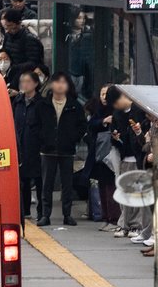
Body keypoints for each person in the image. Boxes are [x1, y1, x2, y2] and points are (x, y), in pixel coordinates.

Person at [33, 72, 86, 227]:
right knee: (46, 184)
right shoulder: (43, 105)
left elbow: (82, 126)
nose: (60, 85)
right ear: (51, 84)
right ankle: (45, 215)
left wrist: (72, 138)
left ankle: (67, 214)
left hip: (67, 150)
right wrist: (43, 138)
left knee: (67, 184)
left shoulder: (74, 105)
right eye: (57, 82)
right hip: (47, 150)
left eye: (64, 82)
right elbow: (35, 125)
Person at [108, 89, 150, 239]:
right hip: (125, 157)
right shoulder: (117, 114)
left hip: (139, 158)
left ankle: (136, 225)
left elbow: (142, 137)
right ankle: (124, 223)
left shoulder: (139, 110)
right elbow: (114, 136)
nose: (116, 105)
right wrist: (116, 137)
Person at [83, 86, 120, 227]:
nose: (104, 97)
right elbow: (91, 124)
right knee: (102, 185)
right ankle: (105, 216)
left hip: (113, 152)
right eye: (102, 94)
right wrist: (104, 121)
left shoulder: (117, 111)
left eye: (106, 94)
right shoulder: (97, 109)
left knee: (111, 185)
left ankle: (113, 217)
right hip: (99, 153)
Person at [13, 69, 45, 218]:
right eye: (22, 82)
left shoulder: (42, 103)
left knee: (39, 180)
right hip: (20, 145)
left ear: (36, 83)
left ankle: (42, 211)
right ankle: (25, 210)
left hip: (37, 146)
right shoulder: (17, 101)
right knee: (23, 179)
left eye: (28, 82)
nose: (24, 85)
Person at [66, 11, 97, 99]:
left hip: (81, 72)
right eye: (79, 18)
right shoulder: (67, 34)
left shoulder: (88, 35)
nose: (82, 21)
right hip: (70, 69)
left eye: (83, 18)